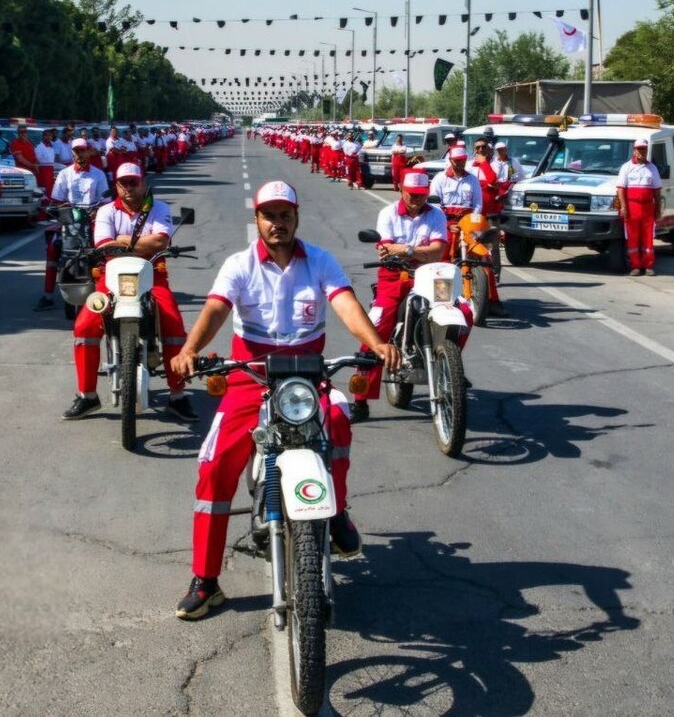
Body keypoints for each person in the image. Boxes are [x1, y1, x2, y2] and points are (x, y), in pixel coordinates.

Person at [169, 181, 400, 620]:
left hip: (307, 375)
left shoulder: (320, 260)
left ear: (297, 217)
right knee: (215, 465)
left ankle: (335, 514)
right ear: (257, 219)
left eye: (285, 215)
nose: (278, 223)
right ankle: (206, 580)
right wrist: (189, 350)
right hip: (249, 376)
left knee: (338, 419)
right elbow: (217, 308)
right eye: (269, 215)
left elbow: (345, 303)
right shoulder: (239, 265)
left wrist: (376, 342)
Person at [65, 162, 196, 422]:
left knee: (174, 328)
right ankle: (87, 395)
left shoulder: (159, 208)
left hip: (151, 277)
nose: (128, 187)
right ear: (116, 186)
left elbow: (161, 241)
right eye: (123, 183)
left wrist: (122, 241)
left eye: (133, 182)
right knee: (84, 328)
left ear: (144, 183)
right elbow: (105, 247)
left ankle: (178, 395)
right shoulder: (105, 211)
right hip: (110, 279)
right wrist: (135, 245)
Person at [352, 170, 459, 422]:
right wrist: (414, 252)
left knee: (459, 313)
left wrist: (407, 249)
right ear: (401, 189)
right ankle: (360, 400)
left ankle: (451, 368)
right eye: (413, 195)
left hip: (433, 275)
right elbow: (386, 250)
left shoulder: (437, 214)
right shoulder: (388, 214)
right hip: (394, 278)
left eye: (422, 195)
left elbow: (437, 252)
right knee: (374, 331)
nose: (417, 200)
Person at [35, 139, 110, 311]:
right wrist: (57, 208)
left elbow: (106, 200)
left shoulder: (98, 174)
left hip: (92, 221)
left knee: (103, 249)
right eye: (76, 152)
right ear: (72, 153)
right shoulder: (64, 174)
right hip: (69, 221)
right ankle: (47, 295)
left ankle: (107, 291)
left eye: (83, 151)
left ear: (89, 152)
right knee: (53, 247)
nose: (80, 155)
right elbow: (57, 200)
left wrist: (96, 211)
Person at [616, 138, 663, 276]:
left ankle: (648, 265)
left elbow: (657, 191)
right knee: (633, 237)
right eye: (640, 149)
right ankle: (635, 266)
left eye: (644, 149)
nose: (642, 151)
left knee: (648, 237)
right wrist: (623, 207)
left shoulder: (652, 168)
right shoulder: (626, 167)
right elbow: (621, 189)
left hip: (648, 207)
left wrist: (658, 209)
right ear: (634, 151)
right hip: (632, 207)